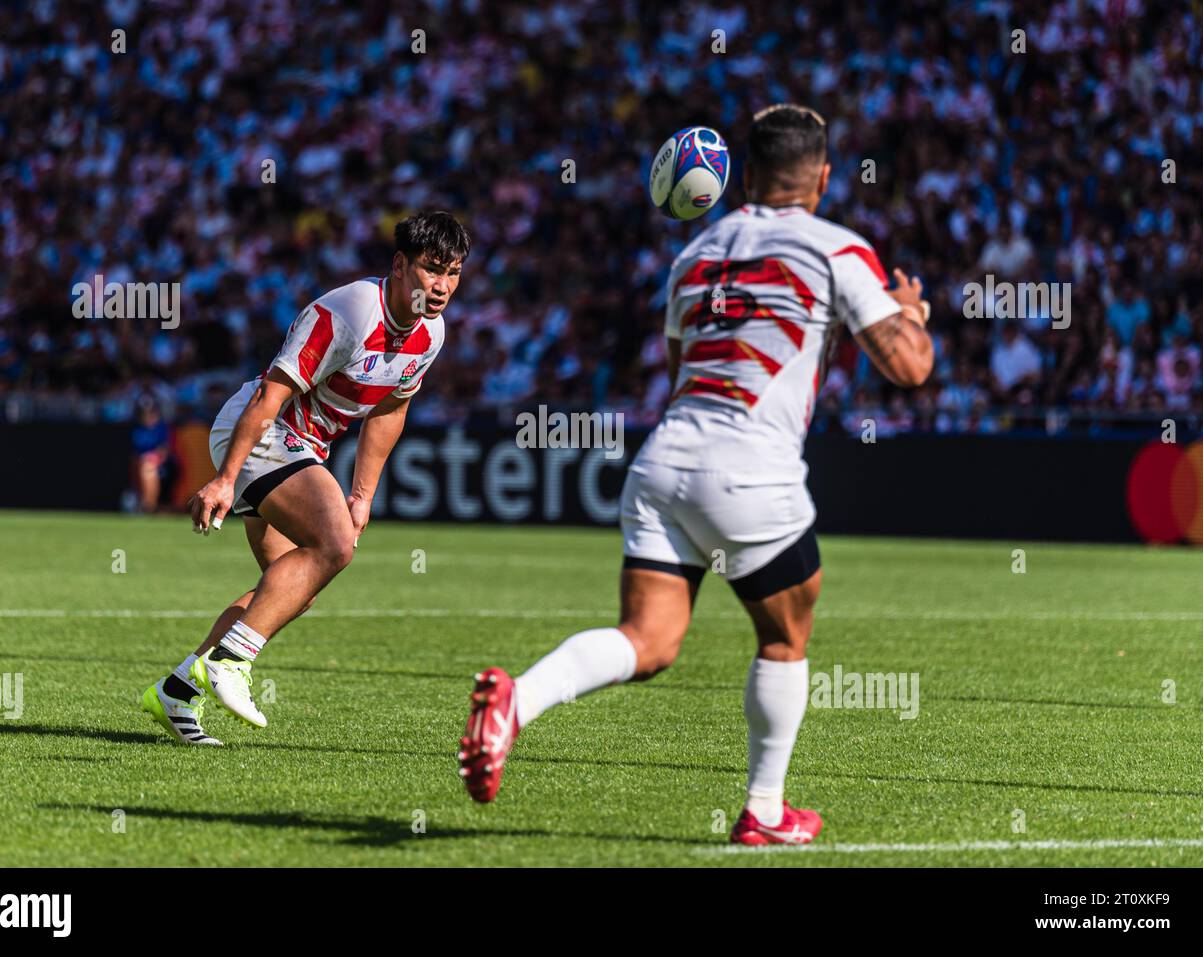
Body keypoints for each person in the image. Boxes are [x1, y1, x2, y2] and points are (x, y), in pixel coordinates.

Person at [457, 105, 933, 845]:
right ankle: (766, 811)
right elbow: (910, 367)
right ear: (825, 177)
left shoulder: (696, 255)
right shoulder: (840, 250)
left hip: (665, 459)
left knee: (648, 639)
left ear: (743, 175)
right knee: (785, 633)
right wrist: (909, 313)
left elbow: (682, 375)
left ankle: (518, 701)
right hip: (750, 469)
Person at [141, 210, 469, 745]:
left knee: (292, 588)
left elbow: (390, 410)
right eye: (433, 269)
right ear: (400, 265)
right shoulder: (348, 312)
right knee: (335, 544)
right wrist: (224, 479)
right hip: (259, 435)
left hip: (299, 449)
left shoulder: (430, 335)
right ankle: (231, 664)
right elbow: (270, 395)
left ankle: (177, 691)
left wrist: (363, 495)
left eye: (453, 273)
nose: (442, 286)